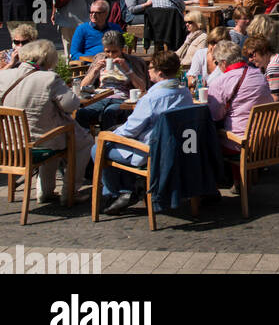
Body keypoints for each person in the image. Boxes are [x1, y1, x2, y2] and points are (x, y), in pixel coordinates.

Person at [93, 49, 193, 214]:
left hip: (151, 150)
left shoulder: (152, 98)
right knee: (110, 140)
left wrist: (111, 135)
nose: (148, 70)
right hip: (179, 147)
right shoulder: (185, 93)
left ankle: (118, 192)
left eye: (151, 67)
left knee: (98, 147)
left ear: (159, 72)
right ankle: (129, 187)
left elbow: (131, 130)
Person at [0, 38, 92, 204]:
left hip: (10, 145)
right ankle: (69, 191)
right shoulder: (49, 78)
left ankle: (46, 192)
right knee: (83, 142)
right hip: (39, 141)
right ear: (48, 59)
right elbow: (70, 105)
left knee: (53, 136)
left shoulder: (4, 75)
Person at [207, 38, 273, 148]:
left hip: (240, 143)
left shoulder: (220, 82)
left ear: (224, 63)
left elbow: (215, 116)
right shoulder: (260, 76)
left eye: (217, 63)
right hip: (266, 141)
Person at [76, 31, 148, 130]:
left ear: (122, 49)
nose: (110, 55)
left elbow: (142, 87)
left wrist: (127, 70)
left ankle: (108, 144)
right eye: (107, 51)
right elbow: (83, 86)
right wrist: (95, 70)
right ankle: (86, 143)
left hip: (121, 98)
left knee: (110, 113)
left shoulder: (131, 62)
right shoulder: (100, 59)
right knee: (82, 113)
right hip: (101, 97)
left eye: (114, 51)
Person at [187, 25, 230, 91]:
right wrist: (197, 82)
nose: (214, 47)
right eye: (212, 43)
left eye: (219, 44)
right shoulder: (200, 54)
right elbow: (190, 80)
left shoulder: (229, 59)